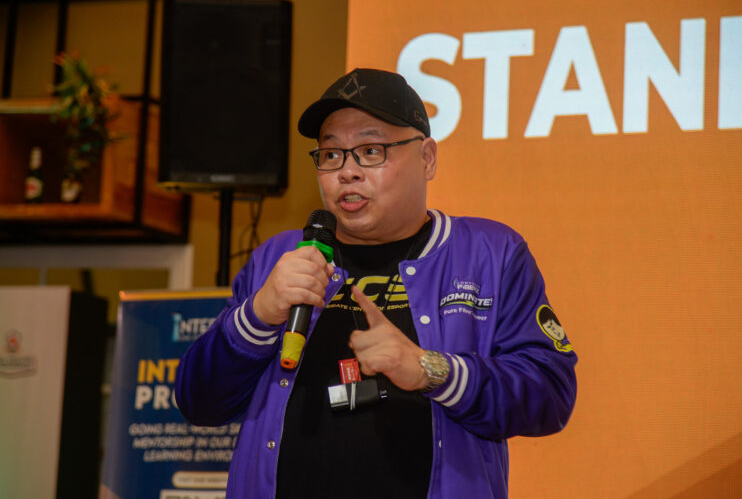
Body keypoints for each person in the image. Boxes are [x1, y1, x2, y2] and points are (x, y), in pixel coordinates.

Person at [175, 68, 578, 499]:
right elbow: (199, 403)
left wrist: (430, 369)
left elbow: (550, 396)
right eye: (332, 154)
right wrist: (256, 316)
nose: (347, 172)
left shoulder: (490, 253)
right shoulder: (280, 257)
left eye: (370, 150)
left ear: (427, 159)